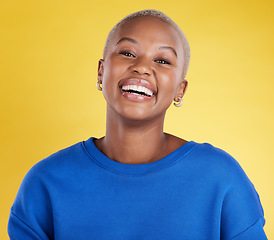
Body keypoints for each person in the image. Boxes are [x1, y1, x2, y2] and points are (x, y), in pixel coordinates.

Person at [8, 9, 267, 240]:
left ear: (180, 89)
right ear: (101, 71)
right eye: (127, 53)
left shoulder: (222, 179)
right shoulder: (45, 182)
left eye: (163, 60)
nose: (142, 67)